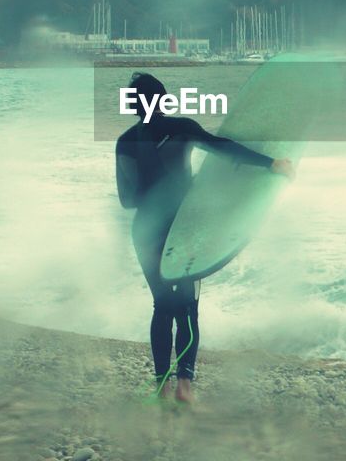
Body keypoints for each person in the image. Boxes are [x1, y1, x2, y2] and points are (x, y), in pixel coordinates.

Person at [115, 72, 293, 404]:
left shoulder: (125, 141)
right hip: (182, 230)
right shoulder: (181, 127)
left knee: (161, 306)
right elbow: (224, 149)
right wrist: (271, 163)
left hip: (145, 231)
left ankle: (161, 387)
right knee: (188, 308)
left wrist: (155, 187)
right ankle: (185, 386)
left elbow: (127, 200)